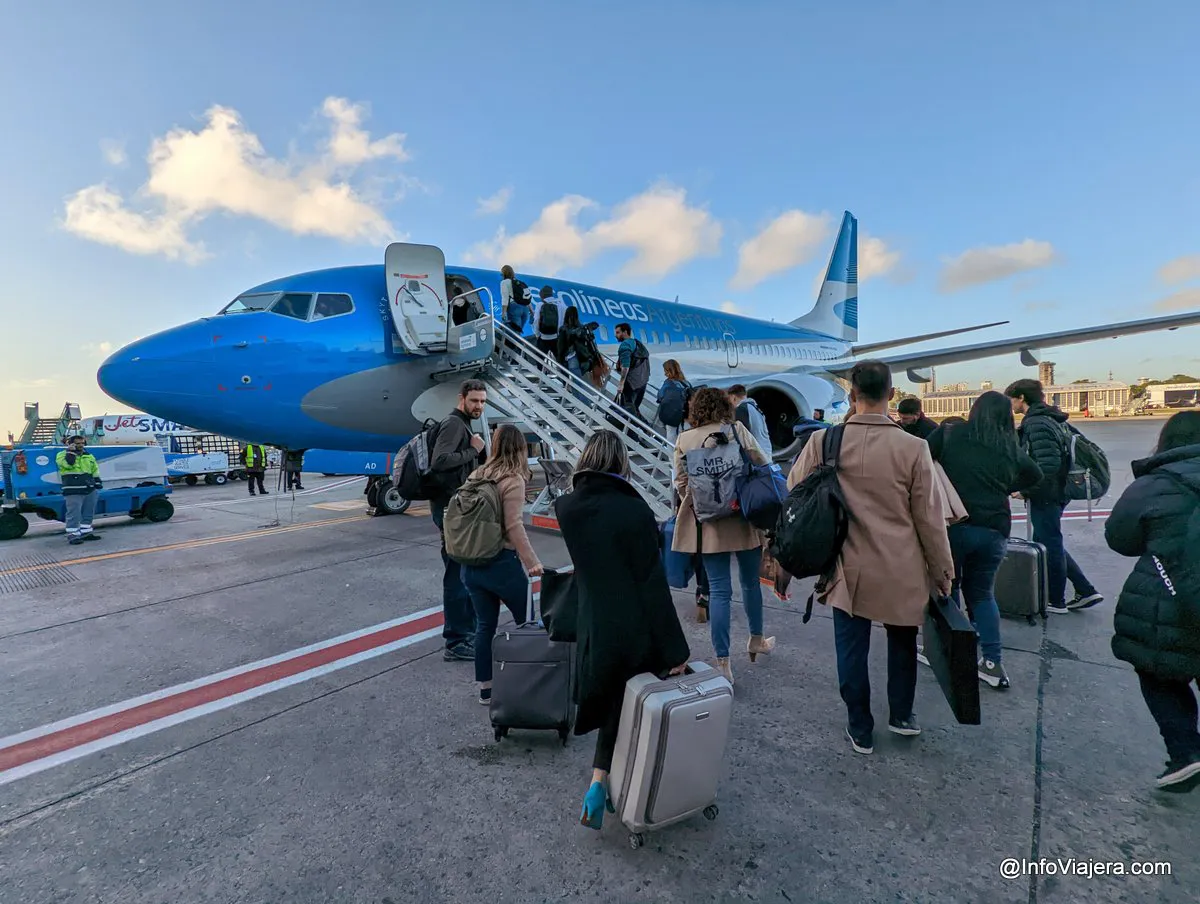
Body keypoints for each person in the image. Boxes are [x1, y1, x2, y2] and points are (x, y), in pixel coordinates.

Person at [788, 360, 954, 755]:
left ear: (851, 396)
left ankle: (859, 726)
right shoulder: (914, 447)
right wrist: (943, 570)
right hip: (902, 566)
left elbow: (794, 494)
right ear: (892, 395)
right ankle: (902, 715)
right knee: (902, 643)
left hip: (847, 567)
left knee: (851, 649)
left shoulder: (823, 442)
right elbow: (929, 519)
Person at [555, 430, 690, 830]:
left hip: (593, 621)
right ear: (621, 463)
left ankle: (600, 781)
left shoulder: (567, 508)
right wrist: (675, 649)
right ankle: (626, 786)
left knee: (613, 699)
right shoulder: (635, 512)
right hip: (633, 625)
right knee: (632, 704)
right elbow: (652, 586)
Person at [1105, 411, 1200, 793]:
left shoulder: (1154, 483)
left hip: (1168, 594)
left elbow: (1120, 538)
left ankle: (1185, 752)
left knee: (1159, 671)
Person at [927, 392, 1043, 690]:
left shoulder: (951, 434)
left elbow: (920, 460)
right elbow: (1035, 474)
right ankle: (992, 662)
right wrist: (1005, 486)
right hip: (994, 529)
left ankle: (949, 650)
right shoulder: (1008, 447)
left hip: (955, 524)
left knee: (946, 588)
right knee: (982, 595)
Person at [671, 387, 773, 684]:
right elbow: (762, 463)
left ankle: (723, 662)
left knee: (718, 590)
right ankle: (756, 639)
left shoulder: (685, 439)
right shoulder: (737, 430)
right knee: (751, 583)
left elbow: (681, 482)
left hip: (708, 523)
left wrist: (702, 502)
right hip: (742, 517)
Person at [459, 424, 544, 705]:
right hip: (501, 564)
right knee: (529, 623)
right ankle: (532, 683)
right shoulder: (513, 479)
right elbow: (514, 526)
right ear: (520, 447)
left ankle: (487, 688)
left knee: (485, 626)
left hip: (471, 563)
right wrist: (532, 562)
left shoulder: (478, 474)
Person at [1005, 379, 1104, 614]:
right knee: (1048, 541)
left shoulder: (1037, 423)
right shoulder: (1051, 418)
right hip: (1055, 491)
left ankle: (1056, 600)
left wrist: (1027, 490)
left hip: (1048, 493)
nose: (1010, 404)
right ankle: (1085, 590)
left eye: (1011, 399)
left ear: (1020, 398)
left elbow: (1048, 466)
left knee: (1050, 543)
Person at [428, 380, 488, 662]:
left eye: (483, 402)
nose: (479, 406)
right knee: (456, 576)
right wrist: (474, 451)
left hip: (458, 509)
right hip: (451, 511)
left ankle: (468, 631)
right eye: (474, 401)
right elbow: (439, 461)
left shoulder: (463, 424)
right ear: (461, 398)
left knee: (464, 574)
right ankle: (455, 641)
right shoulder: (454, 424)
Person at [56, 435, 102, 545]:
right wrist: (71, 452)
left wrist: (97, 482)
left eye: (82, 443)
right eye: (77, 443)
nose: (81, 445)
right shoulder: (61, 455)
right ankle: (73, 535)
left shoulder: (89, 456)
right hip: (73, 489)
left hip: (89, 489)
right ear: (70, 444)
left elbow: (94, 470)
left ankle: (86, 532)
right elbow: (68, 465)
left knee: (88, 512)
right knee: (74, 513)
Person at [614, 322, 651, 418]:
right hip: (642, 382)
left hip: (631, 383)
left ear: (625, 332)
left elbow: (625, 366)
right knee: (633, 409)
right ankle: (643, 428)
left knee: (625, 410)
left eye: (618, 332)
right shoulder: (637, 344)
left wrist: (621, 383)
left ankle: (641, 428)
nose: (615, 335)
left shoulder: (625, 345)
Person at [728, 385, 773, 458]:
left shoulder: (741, 409)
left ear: (733, 397)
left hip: (757, 455)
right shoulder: (755, 408)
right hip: (765, 450)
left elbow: (742, 434)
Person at [655, 359, 693, 442]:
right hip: (685, 415)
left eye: (665, 370)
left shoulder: (668, 383)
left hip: (672, 414)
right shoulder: (686, 383)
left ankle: (671, 454)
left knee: (671, 435)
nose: (664, 373)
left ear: (668, 370)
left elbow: (660, 396)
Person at [533, 286, 566, 361]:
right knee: (560, 360)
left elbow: (536, 320)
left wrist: (537, 334)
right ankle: (563, 372)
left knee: (539, 359)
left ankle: (540, 372)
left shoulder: (540, 305)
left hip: (543, 337)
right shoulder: (561, 305)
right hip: (556, 337)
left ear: (542, 295)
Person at [499, 265, 531, 334]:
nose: (501, 276)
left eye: (501, 274)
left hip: (515, 307)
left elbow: (505, 298)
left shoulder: (504, 282)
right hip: (525, 309)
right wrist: (532, 311)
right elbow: (527, 298)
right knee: (518, 332)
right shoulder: (520, 283)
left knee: (514, 333)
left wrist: (504, 312)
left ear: (504, 274)